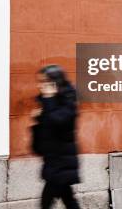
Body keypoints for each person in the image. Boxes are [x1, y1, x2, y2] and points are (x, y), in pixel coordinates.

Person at [31, 65, 80, 209]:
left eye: (43, 81)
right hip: (54, 163)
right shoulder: (47, 102)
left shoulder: (67, 102)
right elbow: (44, 136)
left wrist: (48, 100)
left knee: (48, 202)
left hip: (62, 163)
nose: (40, 85)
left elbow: (58, 122)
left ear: (54, 83)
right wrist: (37, 122)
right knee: (68, 200)